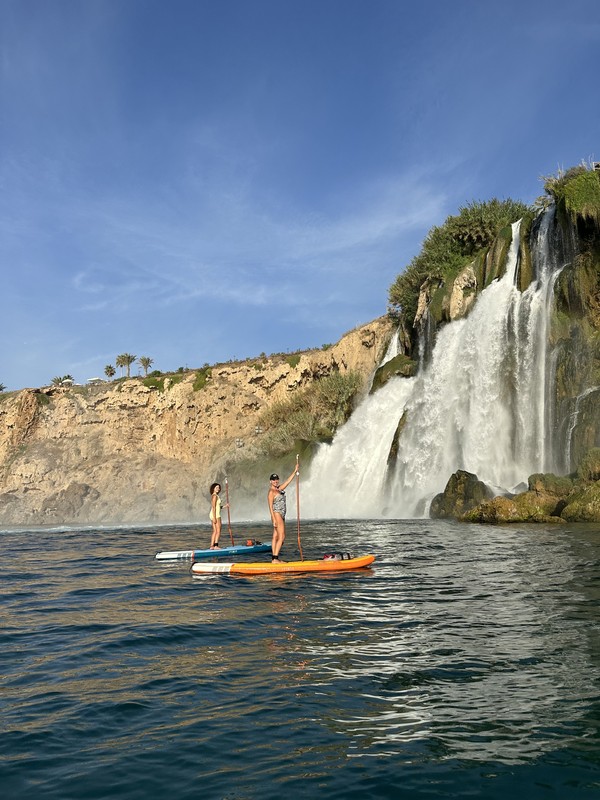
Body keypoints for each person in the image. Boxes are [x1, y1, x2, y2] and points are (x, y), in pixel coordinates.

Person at [267, 466, 298, 562]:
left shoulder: (279, 489)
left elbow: (288, 482)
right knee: (282, 536)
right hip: (277, 514)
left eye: (277, 479)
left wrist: (295, 471)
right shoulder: (271, 492)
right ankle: (275, 558)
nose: (275, 481)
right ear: (270, 481)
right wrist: (273, 519)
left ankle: (274, 558)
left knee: (275, 536)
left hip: (282, 514)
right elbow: (270, 506)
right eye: (273, 480)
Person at [209, 482, 228, 549]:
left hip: (213, 514)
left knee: (215, 531)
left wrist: (225, 506)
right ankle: (216, 546)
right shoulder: (215, 496)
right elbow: (214, 507)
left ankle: (212, 546)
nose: (218, 489)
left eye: (219, 487)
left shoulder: (214, 495)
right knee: (218, 530)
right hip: (216, 515)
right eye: (216, 487)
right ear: (213, 488)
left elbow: (217, 507)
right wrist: (214, 518)